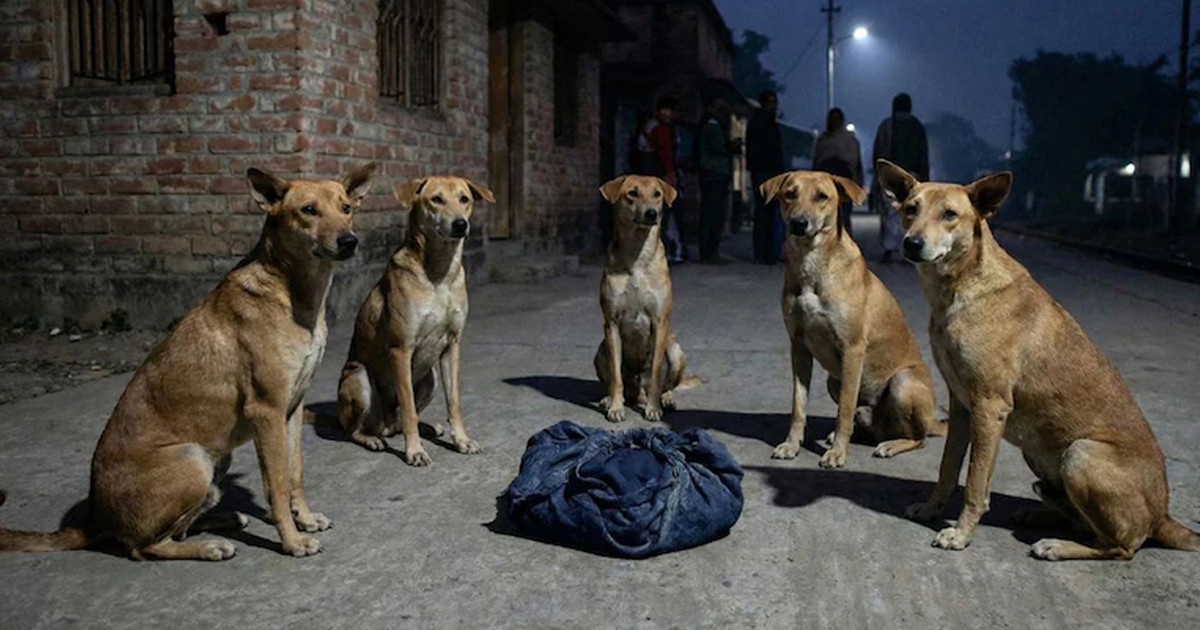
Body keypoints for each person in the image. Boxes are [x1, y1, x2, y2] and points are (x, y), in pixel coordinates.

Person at [871, 93, 929, 263]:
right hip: (913, 178)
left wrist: (878, 176)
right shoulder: (917, 126)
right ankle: (907, 250)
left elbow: (878, 154)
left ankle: (889, 249)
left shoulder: (887, 126)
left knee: (889, 215)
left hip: (891, 179)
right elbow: (923, 155)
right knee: (911, 214)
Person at [635, 96, 684, 262]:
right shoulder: (660, 129)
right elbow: (665, 152)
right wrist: (670, 173)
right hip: (657, 174)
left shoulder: (648, 126)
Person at [696, 98, 739, 264]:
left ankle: (709, 250)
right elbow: (718, 147)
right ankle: (709, 251)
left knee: (711, 213)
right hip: (715, 173)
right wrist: (731, 146)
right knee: (713, 214)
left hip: (714, 173)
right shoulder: (713, 125)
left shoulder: (710, 123)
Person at [747, 90, 786, 264]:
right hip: (764, 173)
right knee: (765, 214)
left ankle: (766, 253)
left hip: (767, 173)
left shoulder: (765, 123)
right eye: (771, 103)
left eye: (775, 102)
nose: (774, 106)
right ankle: (765, 253)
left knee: (767, 214)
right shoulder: (761, 123)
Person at [812, 107, 863, 238]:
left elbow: (856, 165)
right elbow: (816, 163)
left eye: (836, 119)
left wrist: (856, 186)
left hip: (843, 184)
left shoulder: (849, 140)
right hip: (825, 184)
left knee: (843, 217)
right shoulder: (823, 140)